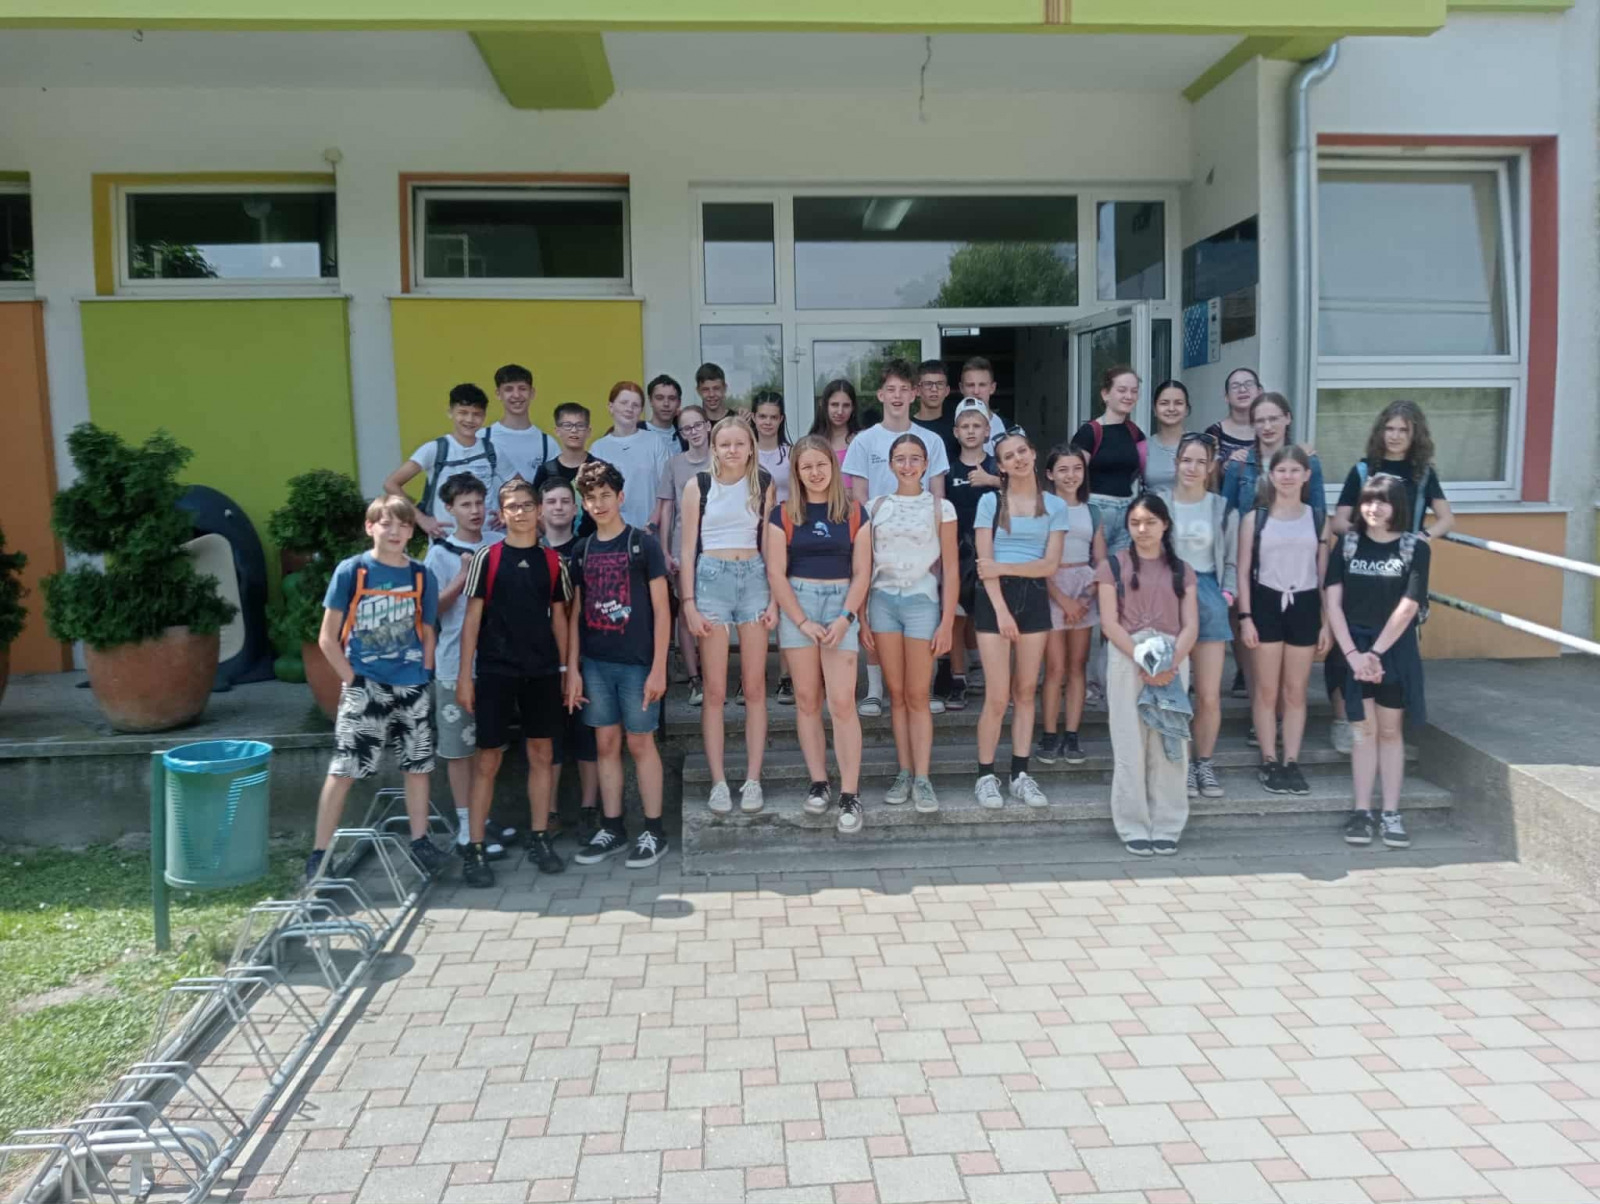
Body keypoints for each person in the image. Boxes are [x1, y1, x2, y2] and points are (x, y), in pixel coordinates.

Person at [306, 495, 444, 882]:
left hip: (411, 684)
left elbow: (428, 631)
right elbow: (327, 637)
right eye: (386, 523)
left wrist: (425, 672)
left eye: (403, 524)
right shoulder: (352, 571)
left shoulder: (421, 576)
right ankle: (320, 854)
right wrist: (352, 679)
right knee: (344, 770)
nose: (395, 531)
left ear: (412, 531)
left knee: (417, 766)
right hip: (366, 685)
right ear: (370, 528)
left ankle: (420, 843)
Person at [454, 479, 571, 888]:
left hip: (542, 672)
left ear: (538, 511)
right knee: (488, 759)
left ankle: (540, 837)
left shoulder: (554, 561)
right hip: (495, 671)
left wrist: (566, 670)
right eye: (512, 506)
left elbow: (561, 619)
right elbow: (471, 620)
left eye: (526, 505)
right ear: (501, 514)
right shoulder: (487, 558)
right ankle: (475, 848)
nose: (520, 512)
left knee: (542, 754)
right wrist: (464, 676)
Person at [1324, 399, 1453, 753]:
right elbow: (1339, 520)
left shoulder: (1423, 474)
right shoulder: (1364, 470)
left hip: (1402, 570)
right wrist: (1368, 535)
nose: (1395, 436)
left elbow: (1446, 518)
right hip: (1363, 568)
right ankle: (1345, 720)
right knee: (1344, 649)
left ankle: (1391, 727)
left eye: (1403, 430)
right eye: (1389, 429)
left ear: (1415, 435)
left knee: (1398, 648)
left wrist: (1420, 538)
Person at [566, 460, 672, 869]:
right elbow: (576, 614)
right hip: (595, 664)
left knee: (641, 743)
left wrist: (659, 667)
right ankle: (612, 827)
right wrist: (573, 670)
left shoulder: (643, 545)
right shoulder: (582, 550)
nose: (599, 504)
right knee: (605, 744)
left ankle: (654, 829)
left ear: (621, 496)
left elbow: (662, 611)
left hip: (637, 664)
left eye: (605, 495)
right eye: (591, 498)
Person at [766, 436, 872, 834]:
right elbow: (776, 573)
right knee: (808, 700)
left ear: (833, 466)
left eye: (821, 464)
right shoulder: (782, 514)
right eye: (806, 466)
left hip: (841, 605)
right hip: (800, 605)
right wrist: (801, 621)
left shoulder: (855, 512)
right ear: (796, 471)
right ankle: (818, 782)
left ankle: (850, 792)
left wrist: (846, 618)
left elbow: (862, 572)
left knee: (842, 702)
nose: (815, 472)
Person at [1326, 473, 1430, 850]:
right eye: (1368, 500)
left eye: (1382, 501)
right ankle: (1361, 812)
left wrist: (1376, 654)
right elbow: (1333, 602)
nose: (1373, 508)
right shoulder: (1348, 543)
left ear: (1396, 505)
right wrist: (1354, 656)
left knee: (1389, 732)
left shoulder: (1414, 548)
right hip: (1354, 651)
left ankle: (1390, 813)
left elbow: (1409, 606)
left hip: (1394, 653)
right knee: (1363, 732)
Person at [680, 416, 778, 815]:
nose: (733, 450)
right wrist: (688, 602)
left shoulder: (763, 484)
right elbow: (687, 548)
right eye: (725, 444)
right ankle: (719, 782)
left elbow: (770, 544)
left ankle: (753, 779)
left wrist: (774, 598)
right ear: (714, 448)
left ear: (751, 447)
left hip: (754, 577)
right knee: (715, 691)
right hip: (711, 580)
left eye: (740, 443)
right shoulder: (698, 486)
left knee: (754, 688)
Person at [844, 359, 950, 718]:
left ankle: (926, 687)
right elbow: (858, 497)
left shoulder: (931, 440)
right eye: (891, 389)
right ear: (880, 394)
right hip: (878, 543)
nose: (897, 395)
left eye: (905, 389)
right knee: (877, 614)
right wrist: (866, 546)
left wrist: (934, 547)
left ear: (914, 393)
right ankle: (875, 690)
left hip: (921, 545)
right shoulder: (864, 441)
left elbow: (938, 495)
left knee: (925, 612)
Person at [1095, 494, 1198, 856]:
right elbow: (1109, 622)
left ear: (1165, 525)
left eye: (1151, 522)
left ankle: (1168, 823)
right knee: (1129, 742)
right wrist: (1141, 656)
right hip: (1128, 655)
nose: (1143, 529)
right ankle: (1132, 823)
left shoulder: (1182, 570)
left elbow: (1191, 625)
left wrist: (1168, 664)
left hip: (1172, 655)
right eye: (1136, 522)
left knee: (1170, 744)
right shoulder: (1112, 566)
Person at [864, 432, 958, 813]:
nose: (907, 465)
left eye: (915, 458)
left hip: (922, 602)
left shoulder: (940, 508)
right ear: (890, 464)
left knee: (919, 694)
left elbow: (951, 569)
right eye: (900, 459)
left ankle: (923, 777)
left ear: (926, 463)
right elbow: (863, 566)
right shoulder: (875, 507)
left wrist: (947, 621)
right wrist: (861, 617)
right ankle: (904, 771)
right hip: (882, 602)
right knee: (897, 693)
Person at [972, 432, 1066, 810]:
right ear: (1001, 466)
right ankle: (985, 776)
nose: (1018, 459)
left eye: (1022, 451)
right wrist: (1001, 610)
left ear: (1033, 452)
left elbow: (1049, 565)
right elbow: (984, 566)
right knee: (997, 696)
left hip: (1034, 597)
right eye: (1009, 456)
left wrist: (1004, 566)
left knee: (1026, 691)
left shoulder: (1055, 505)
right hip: (994, 598)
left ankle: (1020, 775)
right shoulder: (989, 502)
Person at [1220, 391, 1325, 715]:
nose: (1267, 426)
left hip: (1293, 569)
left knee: (1290, 659)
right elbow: (1226, 515)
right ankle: (1261, 715)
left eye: (1273, 419)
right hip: (1248, 563)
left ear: (1287, 419)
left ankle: (1281, 716)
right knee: (1253, 650)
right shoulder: (1239, 465)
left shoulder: (1308, 463)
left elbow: (1319, 513)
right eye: (1260, 420)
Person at [1237, 445, 1329, 797]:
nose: (1288, 477)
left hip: (1304, 603)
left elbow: (1324, 576)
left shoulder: (1317, 518)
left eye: (1294, 470)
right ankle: (1269, 759)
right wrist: (1246, 617)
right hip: (1265, 602)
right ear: (1271, 475)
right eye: (1281, 470)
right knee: (1266, 689)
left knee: (1295, 690)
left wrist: (1326, 622)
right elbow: (1243, 572)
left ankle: (1291, 760)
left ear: (1306, 475)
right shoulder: (1255, 519)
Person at [421, 474, 503, 860]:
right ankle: (466, 827)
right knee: (458, 751)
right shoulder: (439, 554)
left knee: (490, 747)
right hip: (455, 666)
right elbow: (430, 610)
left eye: (479, 503)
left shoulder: (499, 543)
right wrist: (462, 576)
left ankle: (485, 818)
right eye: (465, 505)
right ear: (449, 509)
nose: (474, 511)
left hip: (497, 663)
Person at [1159, 435, 1238, 800]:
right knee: (1171, 688)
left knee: (1207, 693)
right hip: (1167, 592)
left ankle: (1202, 763)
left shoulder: (1221, 508)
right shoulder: (1159, 502)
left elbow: (1232, 560)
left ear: (1211, 467)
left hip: (1208, 594)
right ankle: (1177, 764)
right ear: (1176, 462)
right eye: (1186, 460)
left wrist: (1227, 595)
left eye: (1200, 462)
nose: (1192, 468)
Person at [539, 478, 601, 846]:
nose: (559, 507)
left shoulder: (585, 548)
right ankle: (548, 813)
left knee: (586, 731)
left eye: (565, 501)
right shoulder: (531, 549)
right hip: (543, 658)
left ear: (576, 509)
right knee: (549, 738)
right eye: (552, 501)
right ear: (540, 509)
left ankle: (589, 809)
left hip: (584, 652)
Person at [1037, 445, 1105, 768]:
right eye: (1063, 469)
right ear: (1050, 474)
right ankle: (1050, 733)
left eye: (1077, 468)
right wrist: (1062, 599)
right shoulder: (1042, 509)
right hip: (1051, 585)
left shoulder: (1092, 511)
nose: (1070, 475)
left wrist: (1085, 597)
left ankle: (1072, 733)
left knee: (1078, 665)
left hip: (1083, 587)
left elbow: (1100, 559)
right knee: (1055, 667)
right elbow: (1036, 558)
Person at [935, 399, 1000, 711]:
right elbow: (938, 508)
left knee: (992, 617)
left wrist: (992, 481)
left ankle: (997, 681)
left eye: (977, 426)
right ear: (956, 432)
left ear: (987, 431)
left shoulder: (998, 466)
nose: (971, 431)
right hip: (957, 551)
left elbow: (1024, 490)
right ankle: (958, 679)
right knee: (957, 617)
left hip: (993, 550)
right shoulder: (948, 469)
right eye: (965, 426)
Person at [384, 382, 500, 540]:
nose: (469, 419)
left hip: (488, 541)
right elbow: (391, 484)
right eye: (463, 412)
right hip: (445, 542)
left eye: (476, 414)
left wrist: (506, 510)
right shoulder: (434, 449)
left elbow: (516, 485)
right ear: (450, 412)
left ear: (484, 416)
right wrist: (421, 519)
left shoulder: (491, 450)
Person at [656, 404, 714, 706]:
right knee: (685, 610)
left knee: (716, 611)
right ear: (681, 433)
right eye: (686, 428)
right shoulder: (674, 464)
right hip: (684, 546)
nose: (693, 431)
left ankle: (716, 676)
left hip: (718, 545)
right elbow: (667, 509)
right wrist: (665, 550)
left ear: (708, 425)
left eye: (697, 425)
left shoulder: (723, 457)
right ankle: (694, 679)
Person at [1071, 365, 1146, 557]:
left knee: (1119, 570)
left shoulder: (1135, 432)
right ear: (1105, 394)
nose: (1129, 396)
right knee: (1094, 571)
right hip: (1096, 510)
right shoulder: (1089, 432)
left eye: (1134, 391)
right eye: (1122, 390)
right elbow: (1073, 477)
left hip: (1127, 510)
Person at [590, 381, 673, 534]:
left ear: (641, 410)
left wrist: (653, 524)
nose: (629, 409)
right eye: (624, 403)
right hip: (611, 534)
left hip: (648, 532)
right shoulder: (598, 448)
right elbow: (594, 495)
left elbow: (666, 489)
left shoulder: (654, 442)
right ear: (611, 407)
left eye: (635, 405)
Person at [531, 402, 598, 538]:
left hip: (593, 543)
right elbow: (535, 510)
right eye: (567, 425)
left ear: (588, 431)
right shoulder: (546, 471)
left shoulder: (598, 468)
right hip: (553, 543)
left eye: (580, 425)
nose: (574, 430)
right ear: (557, 430)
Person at [486, 363, 554, 489]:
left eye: (522, 388)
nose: (516, 395)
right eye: (509, 389)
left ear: (532, 393)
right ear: (498, 394)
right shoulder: (481, 439)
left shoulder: (548, 444)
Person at [1205, 366, 1263, 468]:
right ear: (1226, 397)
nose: (1242, 389)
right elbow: (1207, 473)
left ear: (1259, 392)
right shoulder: (1214, 433)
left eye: (1248, 384)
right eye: (1235, 386)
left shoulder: (1268, 429)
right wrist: (1227, 465)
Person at [1142, 380, 1190, 494]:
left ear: (1187, 409)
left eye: (1178, 403)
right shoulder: (1143, 448)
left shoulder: (1200, 445)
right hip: (1152, 504)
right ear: (1155, 409)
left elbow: (1212, 488)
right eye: (1164, 403)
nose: (1171, 408)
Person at [957, 357, 1013, 450]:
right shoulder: (948, 430)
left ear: (992, 388)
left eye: (982, 385)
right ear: (961, 388)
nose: (976, 391)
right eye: (970, 385)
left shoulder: (1010, 430)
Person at [810, 379, 861, 474]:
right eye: (834, 405)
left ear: (853, 408)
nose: (840, 411)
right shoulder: (811, 443)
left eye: (846, 405)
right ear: (824, 405)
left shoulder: (861, 441)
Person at [912, 358, 957, 462]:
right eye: (928, 384)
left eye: (940, 384)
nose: (934, 389)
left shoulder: (957, 426)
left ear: (947, 391)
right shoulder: (908, 427)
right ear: (917, 390)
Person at [752, 389, 792, 504]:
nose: (768, 422)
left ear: (781, 419)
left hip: (785, 514)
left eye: (773, 417)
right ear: (753, 417)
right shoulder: (744, 454)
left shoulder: (792, 454)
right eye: (762, 416)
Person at [646, 373, 686, 451]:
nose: (666, 404)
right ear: (650, 400)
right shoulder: (636, 431)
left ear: (679, 403)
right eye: (660, 398)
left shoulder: (687, 435)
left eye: (672, 398)